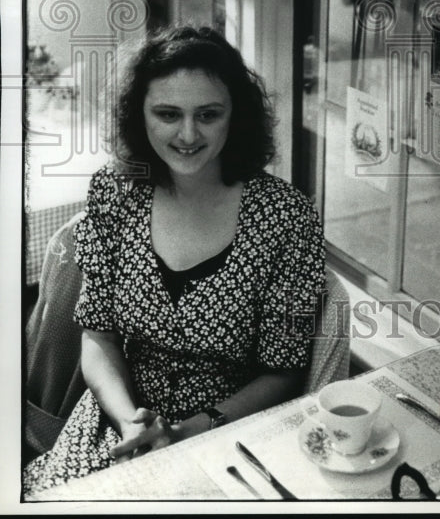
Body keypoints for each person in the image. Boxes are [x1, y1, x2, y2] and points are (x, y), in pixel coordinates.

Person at [23, 25, 326, 494]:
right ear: (138, 116)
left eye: (208, 114)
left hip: (231, 431)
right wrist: (132, 424)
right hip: (120, 419)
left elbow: (282, 371)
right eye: (168, 114)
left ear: (235, 116)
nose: (188, 134)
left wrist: (188, 432)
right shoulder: (114, 191)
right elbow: (98, 337)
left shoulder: (287, 216)